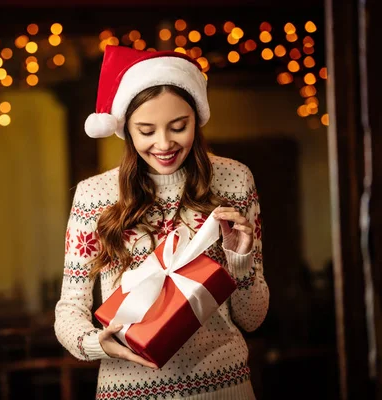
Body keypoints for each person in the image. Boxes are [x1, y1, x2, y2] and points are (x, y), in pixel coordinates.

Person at [54, 45, 269, 399]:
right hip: (127, 389)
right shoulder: (94, 196)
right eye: (146, 130)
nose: (164, 143)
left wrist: (240, 262)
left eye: (178, 126)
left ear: (196, 120)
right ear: (126, 129)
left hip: (223, 385)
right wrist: (96, 343)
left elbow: (252, 318)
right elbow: (70, 307)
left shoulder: (234, 180)